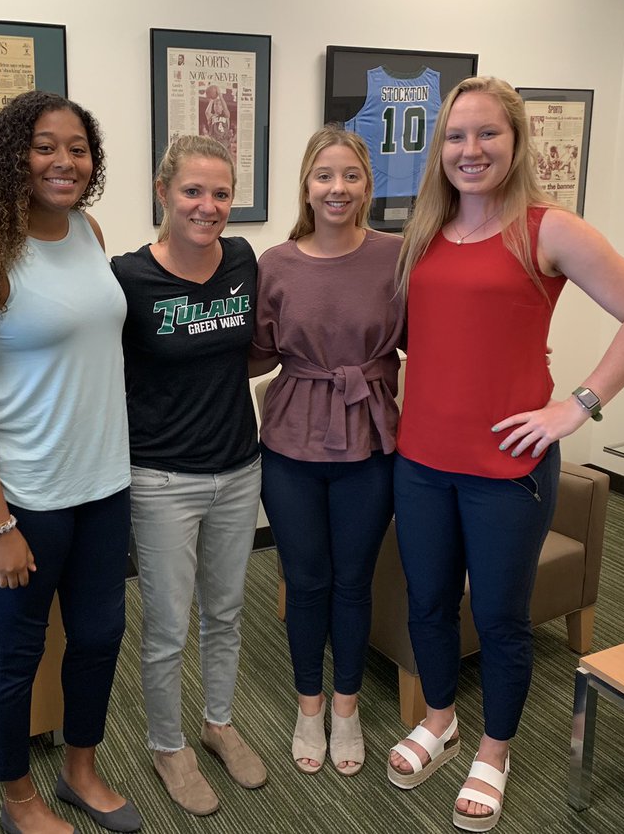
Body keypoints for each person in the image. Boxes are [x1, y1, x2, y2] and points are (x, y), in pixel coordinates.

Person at [386, 76, 624, 832]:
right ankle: (440, 721)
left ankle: (495, 752)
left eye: (487, 135)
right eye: (455, 136)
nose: (470, 150)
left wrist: (576, 405)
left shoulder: (548, 229)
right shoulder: (423, 232)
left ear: (516, 142)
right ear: (437, 149)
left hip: (507, 470)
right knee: (428, 602)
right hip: (420, 461)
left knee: (504, 619)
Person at [0, 91, 141, 834]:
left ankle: (80, 770)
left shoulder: (87, 228)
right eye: (45, 146)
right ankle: (18, 799)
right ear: (13, 153)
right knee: (16, 651)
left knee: (102, 633)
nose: (63, 162)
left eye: (77, 148)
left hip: (99, 482)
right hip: (14, 493)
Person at [110, 135, 266, 816]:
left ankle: (219, 723)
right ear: (162, 191)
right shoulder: (126, 277)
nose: (208, 206)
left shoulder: (241, 259)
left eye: (221, 193)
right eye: (193, 192)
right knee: (169, 626)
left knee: (226, 611)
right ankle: (168, 745)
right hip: (161, 479)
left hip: (239, 466)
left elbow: (252, 354)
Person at [250, 126, 404, 777]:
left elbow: (433, 344)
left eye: (350, 176)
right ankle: (308, 705)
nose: (337, 188)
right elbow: (254, 350)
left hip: (369, 442)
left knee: (352, 581)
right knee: (305, 580)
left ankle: (346, 710)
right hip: (290, 445)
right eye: (324, 176)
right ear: (307, 186)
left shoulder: (399, 256)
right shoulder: (276, 262)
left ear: (367, 185)